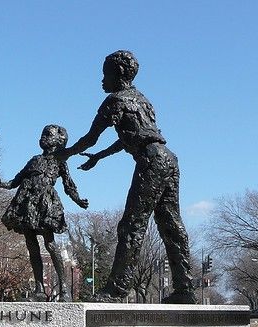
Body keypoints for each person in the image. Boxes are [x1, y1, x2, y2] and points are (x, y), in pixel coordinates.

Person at [60, 50, 195, 304]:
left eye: (105, 74)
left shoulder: (115, 101)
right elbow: (136, 137)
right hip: (168, 159)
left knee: (132, 225)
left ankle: (116, 290)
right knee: (171, 224)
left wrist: (64, 154)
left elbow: (90, 137)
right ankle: (184, 288)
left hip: (152, 162)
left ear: (118, 74)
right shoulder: (143, 101)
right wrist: (99, 157)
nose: (102, 80)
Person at [0, 125, 88, 302]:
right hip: (26, 205)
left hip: (45, 205)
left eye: (47, 135)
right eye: (42, 134)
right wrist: (0, 184)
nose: (43, 137)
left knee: (50, 245)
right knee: (32, 246)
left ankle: (64, 289)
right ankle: (39, 289)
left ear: (59, 141)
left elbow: (68, 185)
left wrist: (78, 200)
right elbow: (15, 181)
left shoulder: (60, 160)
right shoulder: (34, 160)